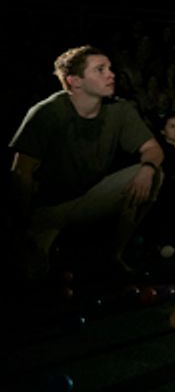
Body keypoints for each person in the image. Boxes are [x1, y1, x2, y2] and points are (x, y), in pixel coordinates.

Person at [9, 46, 164, 280]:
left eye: (110, 68)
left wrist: (147, 169)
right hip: (49, 209)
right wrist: (23, 226)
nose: (111, 74)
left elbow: (153, 149)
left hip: (88, 196)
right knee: (31, 279)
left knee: (152, 175)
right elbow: (21, 172)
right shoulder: (47, 112)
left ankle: (113, 255)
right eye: (100, 70)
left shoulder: (119, 109)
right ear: (75, 81)